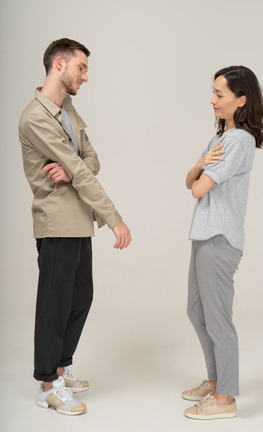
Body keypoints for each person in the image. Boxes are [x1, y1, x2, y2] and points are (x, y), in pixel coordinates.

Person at [19, 38, 132, 416]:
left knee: (81, 297)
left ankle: (61, 368)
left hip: (79, 220)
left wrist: (71, 168)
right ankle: (47, 384)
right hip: (56, 222)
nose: (85, 76)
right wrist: (114, 217)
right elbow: (82, 165)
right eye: (81, 67)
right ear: (59, 64)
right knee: (54, 305)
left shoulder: (67, 109)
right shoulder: (35, 117)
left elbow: (90, 160)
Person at [182, 66, 263, 420]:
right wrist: (201, 162)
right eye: (213, 92)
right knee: (197, 311)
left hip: (220, 238)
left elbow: (199, 188)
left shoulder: (239, 140)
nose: (213, 100)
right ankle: (216, 380)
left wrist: (200, 172)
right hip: (204, 234)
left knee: (218, 319)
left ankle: (225, 399)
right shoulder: (220, 138)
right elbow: (189, 181)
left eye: (220, 94)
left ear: (241, 100)